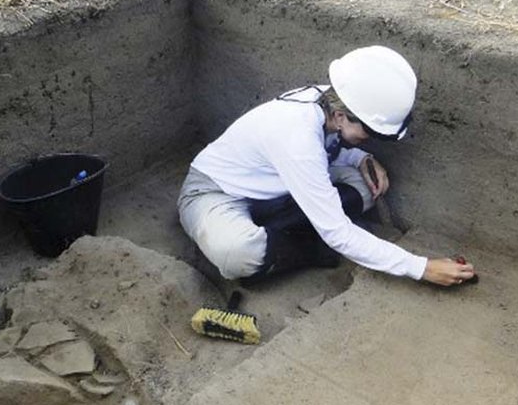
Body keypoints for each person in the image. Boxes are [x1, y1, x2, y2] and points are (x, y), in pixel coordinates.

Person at [177, 45, 475, 287]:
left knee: (368, 186)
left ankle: (283, 235)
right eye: (369, 133)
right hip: (216, 192)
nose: (370, 140)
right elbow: (338, 229)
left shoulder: (331, 99)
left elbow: (326, 148)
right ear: (343, 116)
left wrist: (361, 158)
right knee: (238, 254)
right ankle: (311, 250)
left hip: (278, 182)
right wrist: (421, 268)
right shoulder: (297, 137)